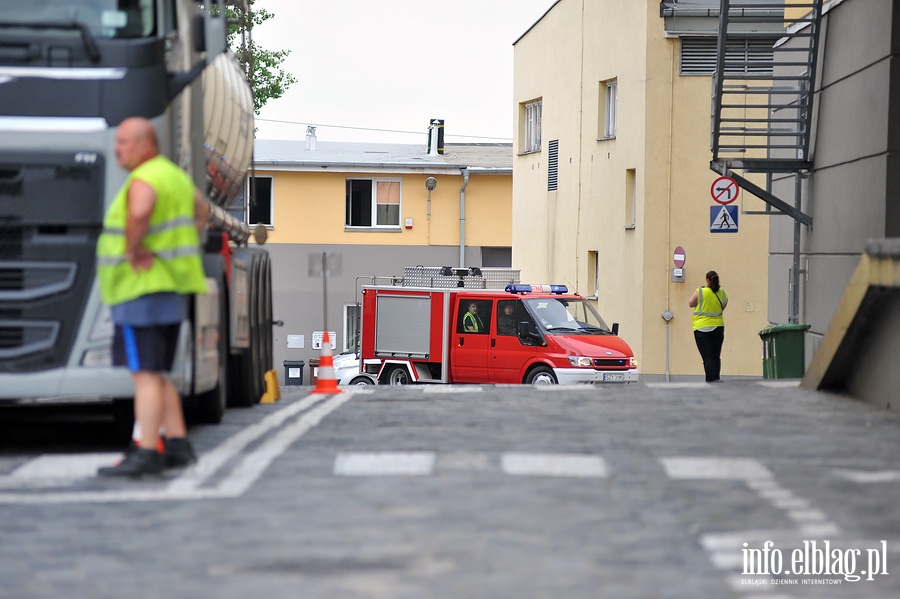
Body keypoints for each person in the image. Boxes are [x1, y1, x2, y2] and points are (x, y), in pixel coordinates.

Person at [96, 117, 210, 477]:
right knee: (157, 372)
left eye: (125, 141)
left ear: (147, 145)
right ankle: (177, 444)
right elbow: (202, 212)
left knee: (143, 374)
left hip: (139, 288)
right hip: (171, 286)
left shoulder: (144, 179)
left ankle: (147, 449)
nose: (117, 148)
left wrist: (134, 250)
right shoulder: (173, 175)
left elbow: (141, 211)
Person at [689, 270, 728, 383]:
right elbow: (722, 309)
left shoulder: (701, 292)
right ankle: (716, 378)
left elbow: (691, 303)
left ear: (707, 280)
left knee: (707, 357)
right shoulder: (724, 294)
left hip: (701, 328)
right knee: (716, 356)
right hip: (718, 327)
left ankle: (710, 381)